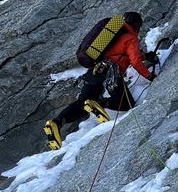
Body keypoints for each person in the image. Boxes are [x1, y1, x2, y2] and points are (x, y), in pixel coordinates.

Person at [44, 10, 155, 149]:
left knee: (82, 103)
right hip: (111, 73)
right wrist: (150, 76)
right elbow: (135, 61)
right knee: (127, 104)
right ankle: (100, 103)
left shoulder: (112, 34)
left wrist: (146, 56)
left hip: (95, 70)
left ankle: (57, 122)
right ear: (137, 25)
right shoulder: (130, 37)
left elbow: (120, 52)